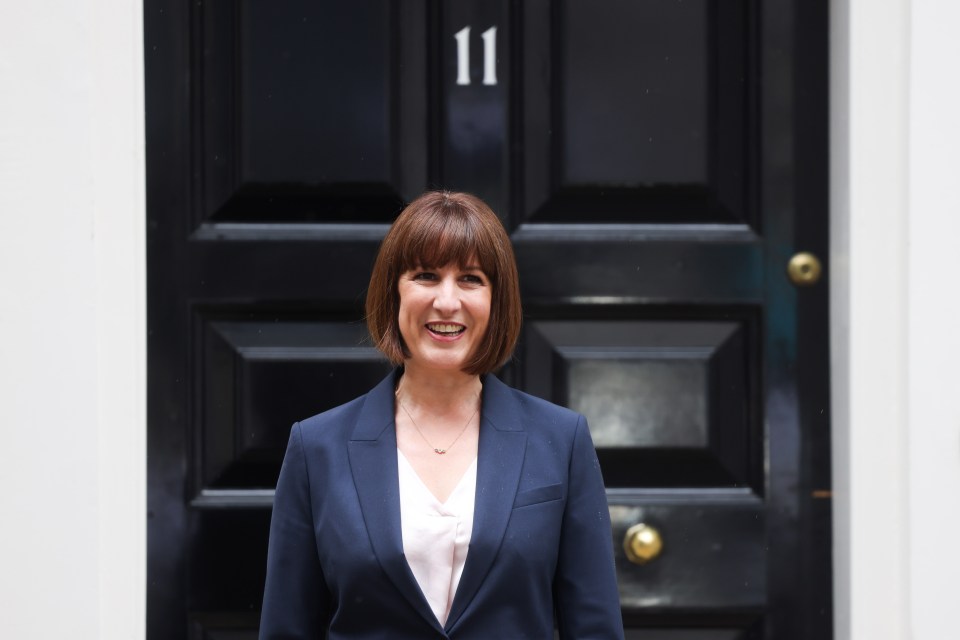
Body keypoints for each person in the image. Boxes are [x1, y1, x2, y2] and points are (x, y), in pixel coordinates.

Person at [259, 191, 624, 639]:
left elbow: (595, 629)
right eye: (426, 275)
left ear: (497, 300)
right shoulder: (317, 448)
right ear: (394, 290)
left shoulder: (561, 440)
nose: (447, 302)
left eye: (470, 279)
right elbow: (286, 628)